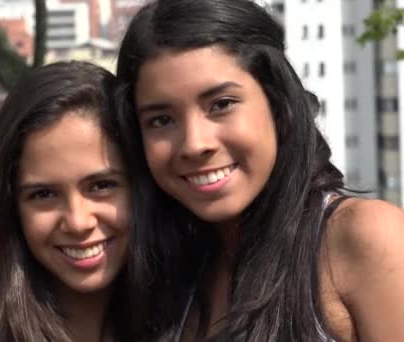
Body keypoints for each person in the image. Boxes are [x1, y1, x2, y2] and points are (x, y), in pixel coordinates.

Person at [115, 0, 404, 341]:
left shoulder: (363, 237)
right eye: (161, 120)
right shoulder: (161, 278)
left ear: (278, 104)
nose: (195, 144)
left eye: (221, 104)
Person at [0, 61, 135, 342]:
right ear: (13, 209)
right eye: (44, 195)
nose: (77, 222)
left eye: (101, 186)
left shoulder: (193, 318)